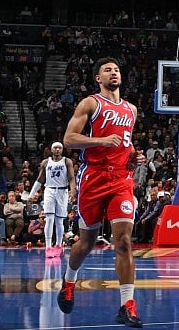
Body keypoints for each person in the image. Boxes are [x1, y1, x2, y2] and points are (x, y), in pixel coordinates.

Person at [56, 57, 147, 329]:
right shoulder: (91, 103)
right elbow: (69, 139)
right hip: (93, 176)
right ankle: (69, 281)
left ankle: (127, 305)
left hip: (121, 179)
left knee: (124, 242)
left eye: (117, 69)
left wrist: (134, 156)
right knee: (86, 243)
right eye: (107, 70)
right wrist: (100, 141)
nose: (113, 73)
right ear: (98, 78)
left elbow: (125, 144)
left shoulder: (131, 109)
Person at [29, 141, 76, 257]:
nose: (57, 150)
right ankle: (48, 246)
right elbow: (40, 179)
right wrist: (31, 194)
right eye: (55, 148)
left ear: (62, 150)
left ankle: (59, 245)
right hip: (49, 190)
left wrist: (73, 191)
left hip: (62, 191)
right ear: (51, 150)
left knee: (59, 220)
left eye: (59, 148)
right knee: (49, 219)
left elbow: (71, 178)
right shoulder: (45, 162)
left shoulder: (67, 161)